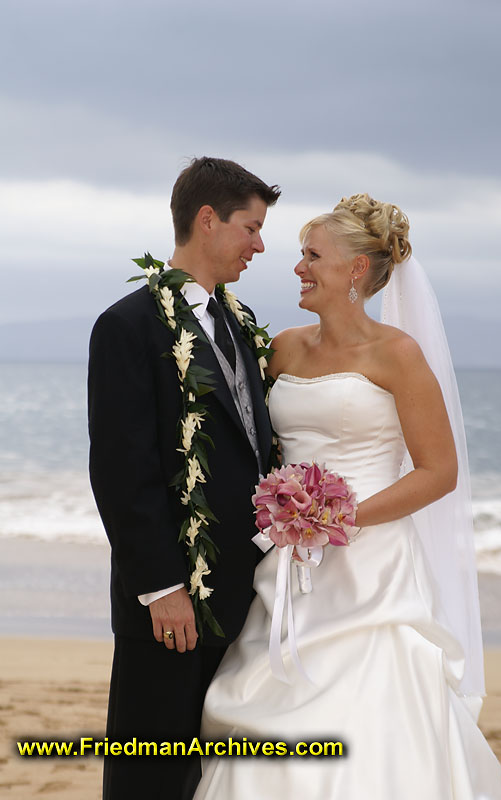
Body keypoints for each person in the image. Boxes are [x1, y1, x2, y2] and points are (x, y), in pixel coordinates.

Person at [192, 194, 501, 798]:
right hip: (286, 564)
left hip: (370, 572)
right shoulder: (282, 347)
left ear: (356, 271)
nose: (297, 268)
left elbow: (438, 471)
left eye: (312, 256)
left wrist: (340, 517)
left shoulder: (398, 355)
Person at [88, 156, 280, 800]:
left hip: (243, 591)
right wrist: (161, 587)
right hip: (170, 599)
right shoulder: (127, 326)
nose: (260, 244)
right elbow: (121, 470)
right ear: (207, 220)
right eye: (250, 227)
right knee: (152, 765)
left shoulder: (238, 322)